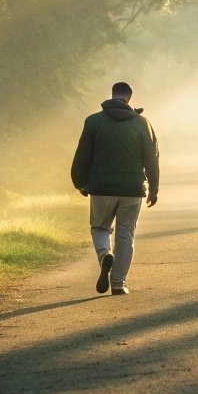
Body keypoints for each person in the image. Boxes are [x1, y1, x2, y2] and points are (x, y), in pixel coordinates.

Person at [70, 81, 160, 295]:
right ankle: (118, 283)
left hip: (101, 187)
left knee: (100, 227)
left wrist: (80, 182)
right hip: (132, 189)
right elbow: (152, 158)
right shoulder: (142, 123)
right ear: (129, 98)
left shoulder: (93, 121)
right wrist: (154, 188)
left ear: (111, 96)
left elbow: (83, 154)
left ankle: (104, 255)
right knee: (125, 234)